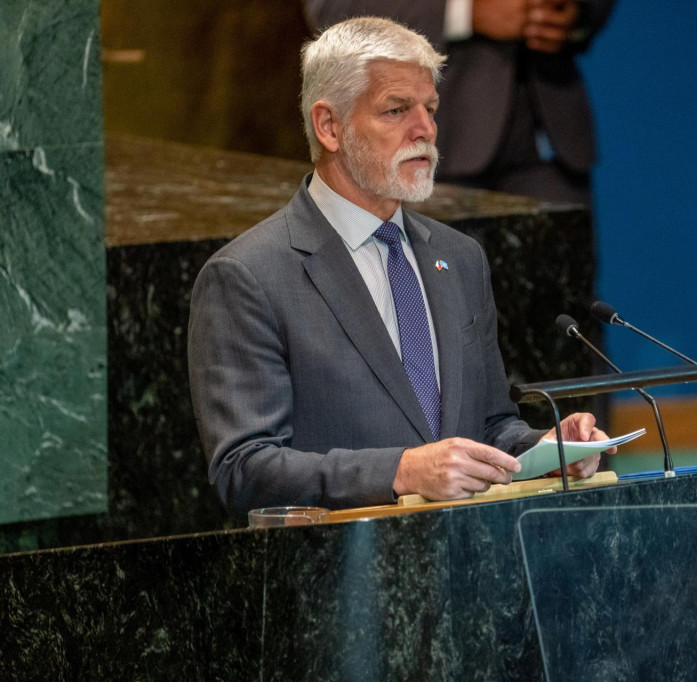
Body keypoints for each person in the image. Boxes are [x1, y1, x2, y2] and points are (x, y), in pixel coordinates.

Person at [187, 16, 612, 517]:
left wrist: (546, 449)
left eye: (429, 109)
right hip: (341, 576)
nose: (426, 130)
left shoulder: (460, 257)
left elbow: (490, 426)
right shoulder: (247, 276)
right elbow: (244, 468)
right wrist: (400, 471)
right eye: (396, 110)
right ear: (329, 126)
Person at [301, 0, 617, 207]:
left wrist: (577, 13)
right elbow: (333, 8)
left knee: (561, 304)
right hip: (426, 145)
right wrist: (466, 11)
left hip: (551, 143)